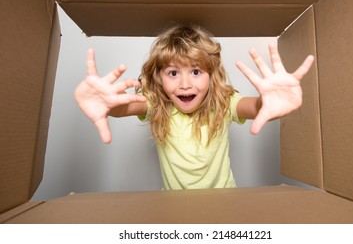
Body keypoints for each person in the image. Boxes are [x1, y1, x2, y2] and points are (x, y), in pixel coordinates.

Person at [74, 23, 314, 190]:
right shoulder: (157, 105)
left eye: (196, 71)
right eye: (173, 72)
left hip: (225, 206)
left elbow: (254, 107)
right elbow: (125, 107)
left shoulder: (224, 102)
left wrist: (269, 102)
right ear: (158, 77)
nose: (185, 84)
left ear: (211, 75)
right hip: (175, 209)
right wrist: (107, 105)